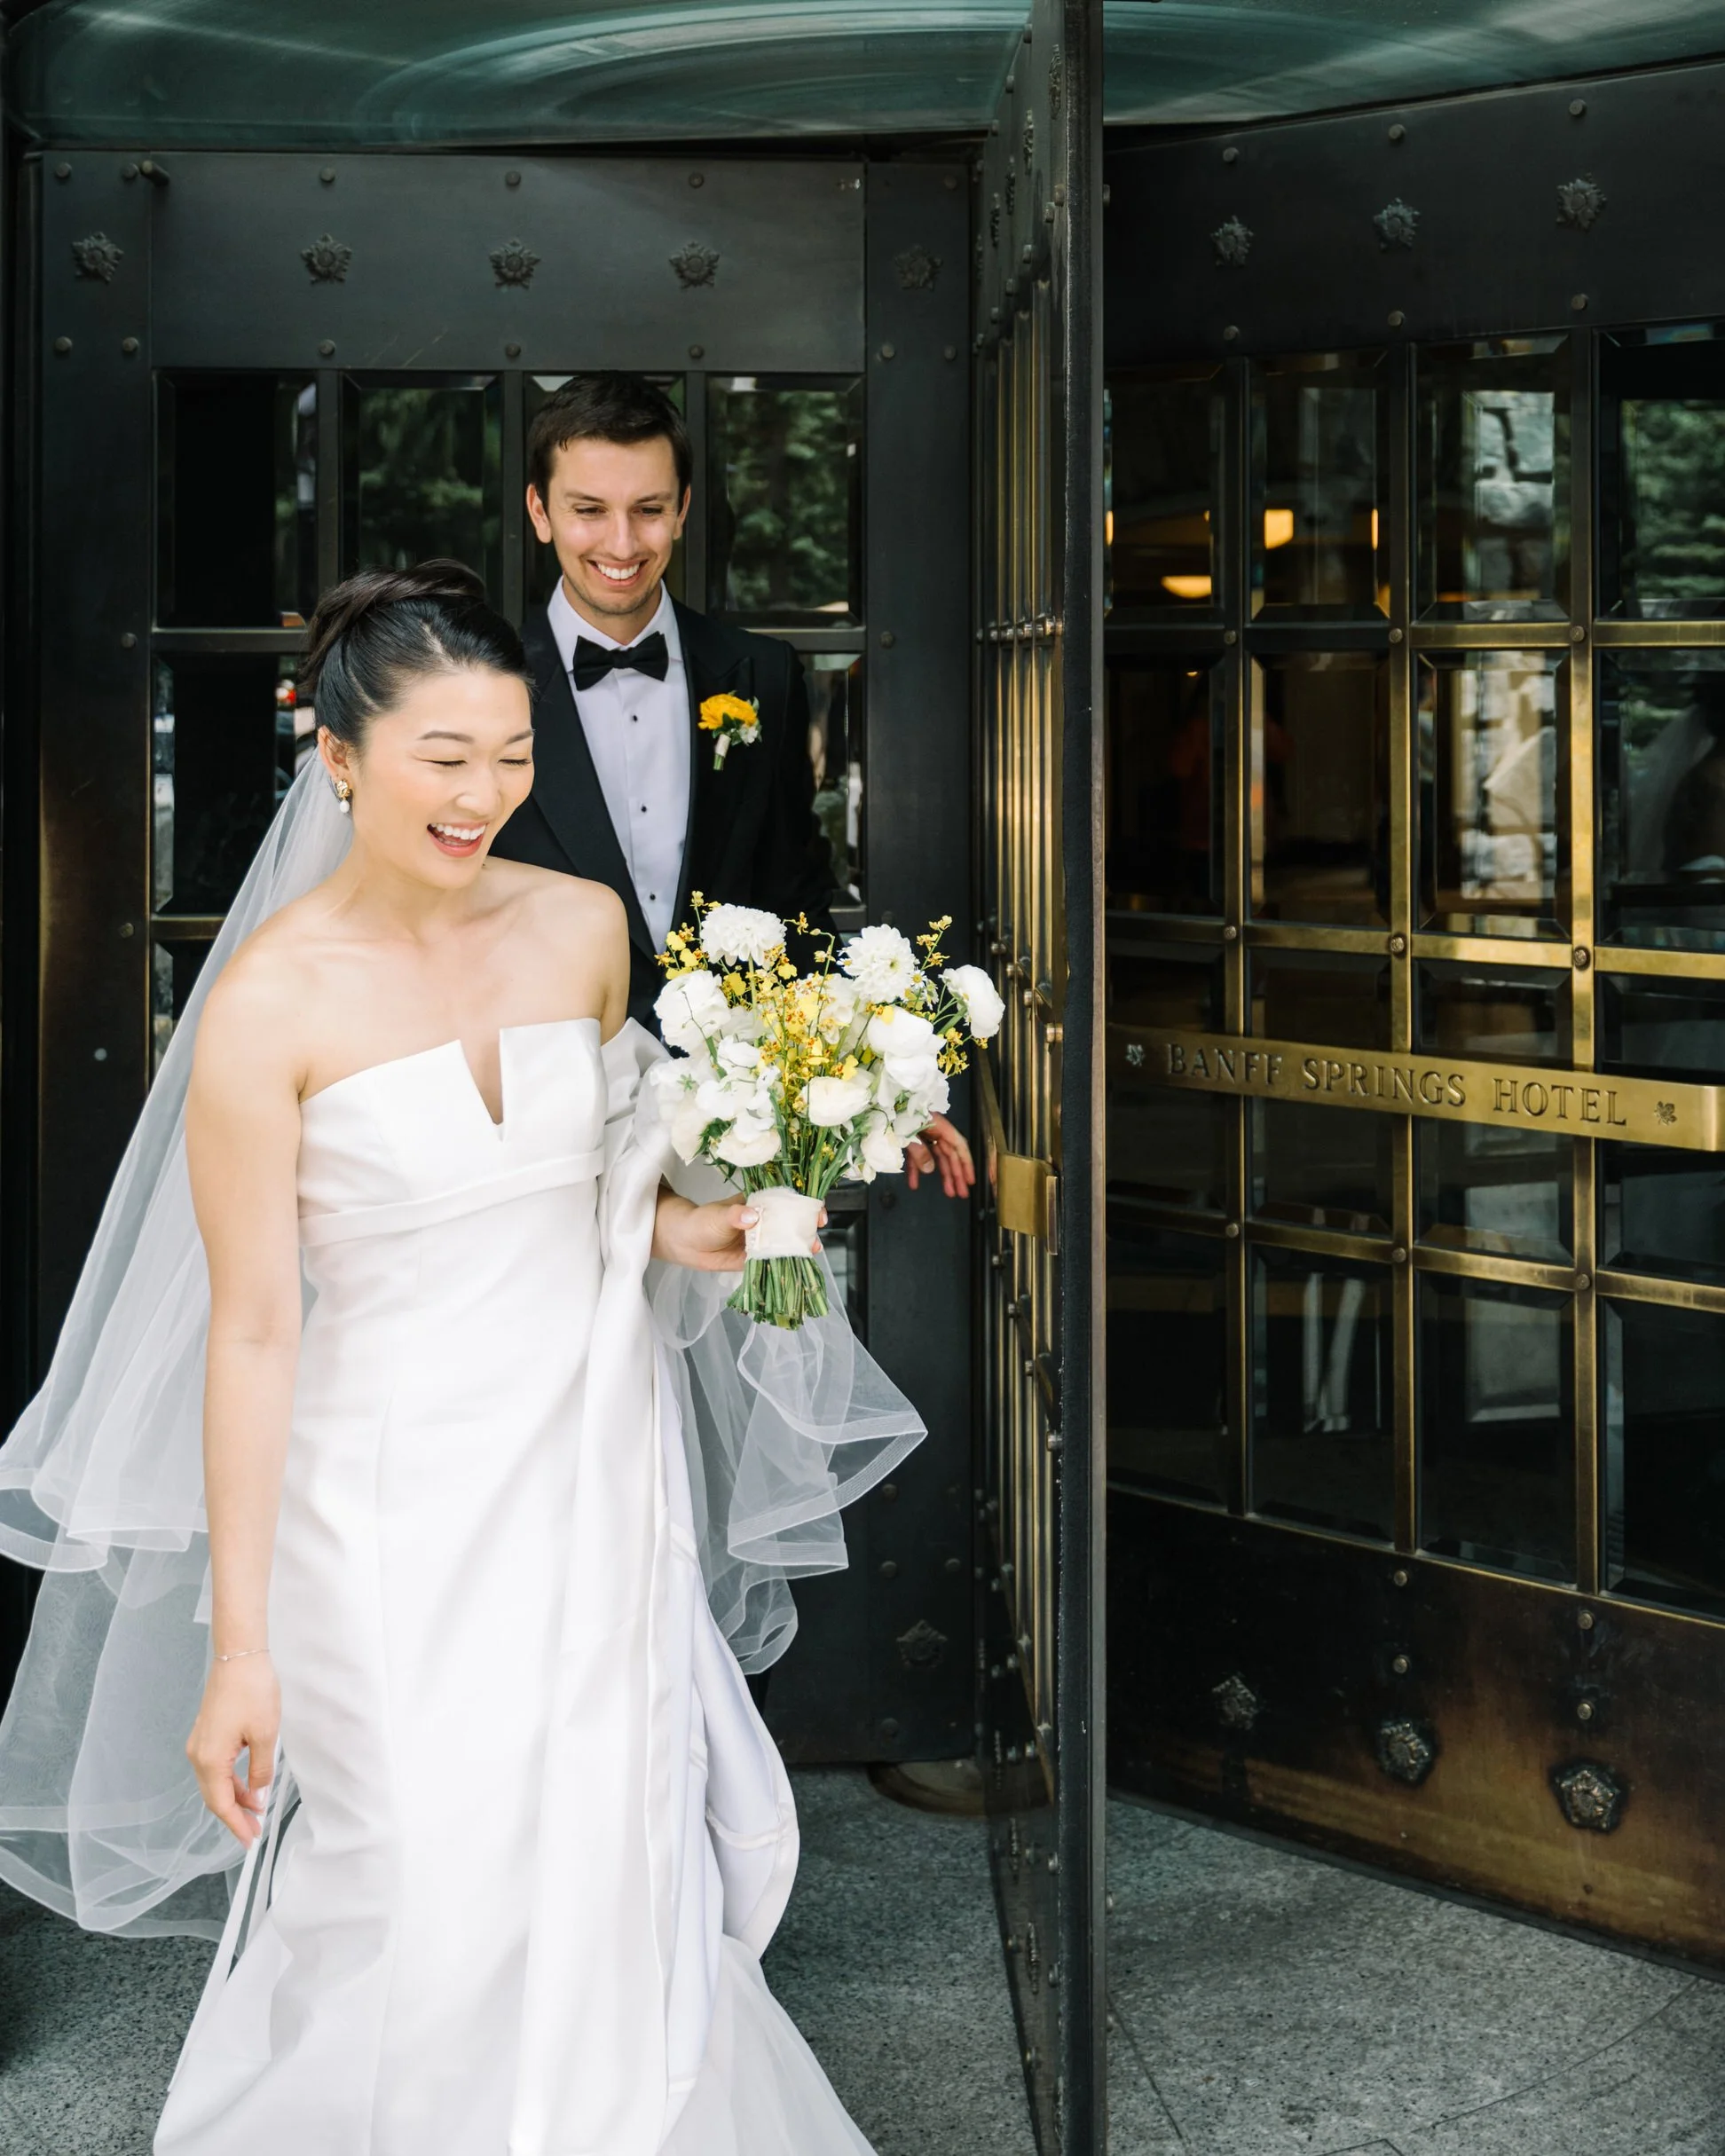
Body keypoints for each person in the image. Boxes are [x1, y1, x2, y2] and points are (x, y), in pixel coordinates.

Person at [0, 563, 926, 2153]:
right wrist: (241, 1648)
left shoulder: (577, 932)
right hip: (380, 1508)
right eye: (444, 756)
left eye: (510, 754)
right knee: (413, 1860)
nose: (485, 793)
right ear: (339, 757)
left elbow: (595, 1185)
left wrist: (690, 1230)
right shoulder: (267, 1008)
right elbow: (253, 1324)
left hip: (589, 1466)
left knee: (606, 1836)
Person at [492, 371, 972, 1200]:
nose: (621, 541)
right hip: (538, 1125)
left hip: (729, 1119)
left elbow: (792, 896)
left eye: (648, 508)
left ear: (682, 509)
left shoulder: (766, 677)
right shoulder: (479, 681)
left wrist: (876, 1084)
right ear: (540, 513)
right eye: (588, 509)